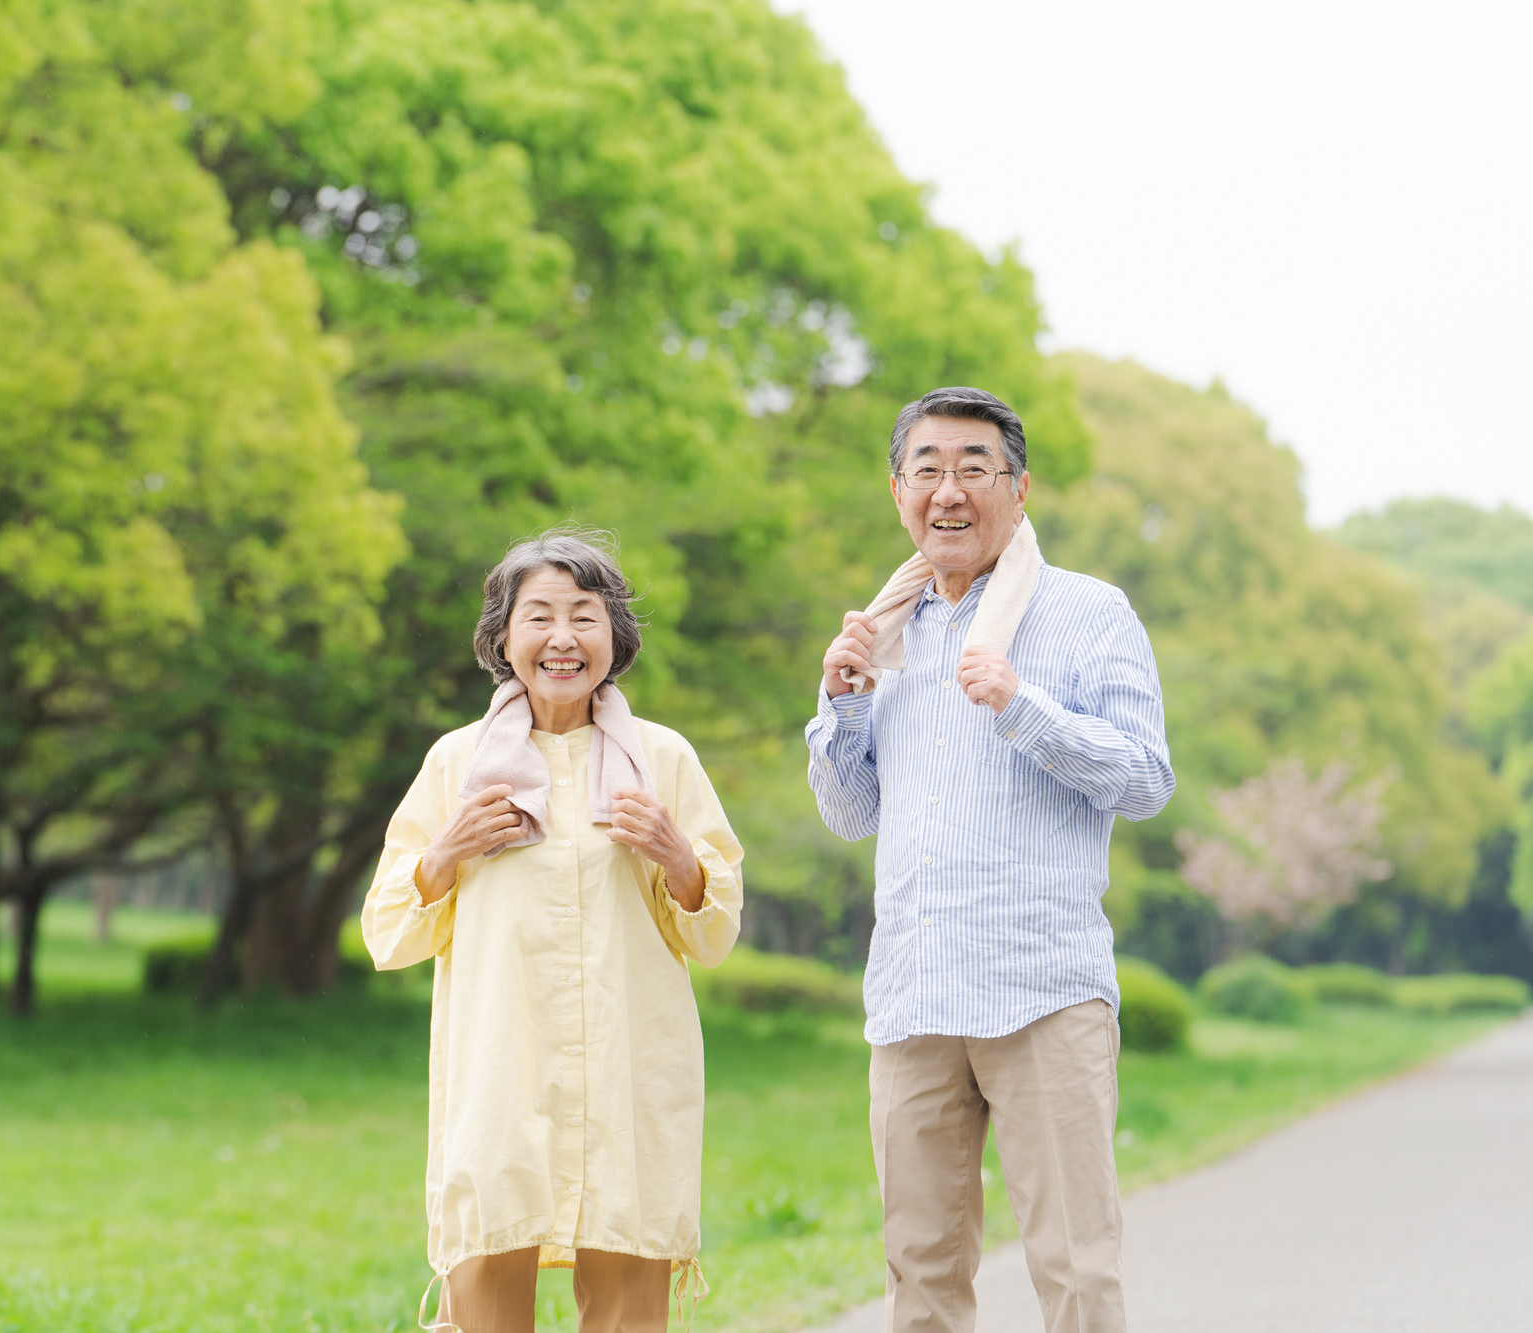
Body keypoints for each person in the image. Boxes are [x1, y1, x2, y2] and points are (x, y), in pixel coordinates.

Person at [806, 388, 1174, 1333]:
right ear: (898, 492)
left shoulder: (1090, 613)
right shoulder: (882, 634)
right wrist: (842, 702)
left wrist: (1022, 704)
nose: (950, 490)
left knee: (1075, 1268)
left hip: (1041, 986)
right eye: (927, 469)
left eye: (975, 467)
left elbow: (1144, 780)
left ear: (1017, 489)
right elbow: (850, 815)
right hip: (915, 994)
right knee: (920, 1275)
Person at [362, 528, 743, 1333]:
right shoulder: (457, 763)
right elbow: (387, 932)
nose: (563, 638)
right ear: (504, 637)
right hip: (501, 1077)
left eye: (584, 616)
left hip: (627, 1073)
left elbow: (715, 931)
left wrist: (678, 856)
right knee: (488, 1296)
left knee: (627, 1294)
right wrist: (447, 851)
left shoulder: (663, 759)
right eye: (539, 616)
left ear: (615, 637)